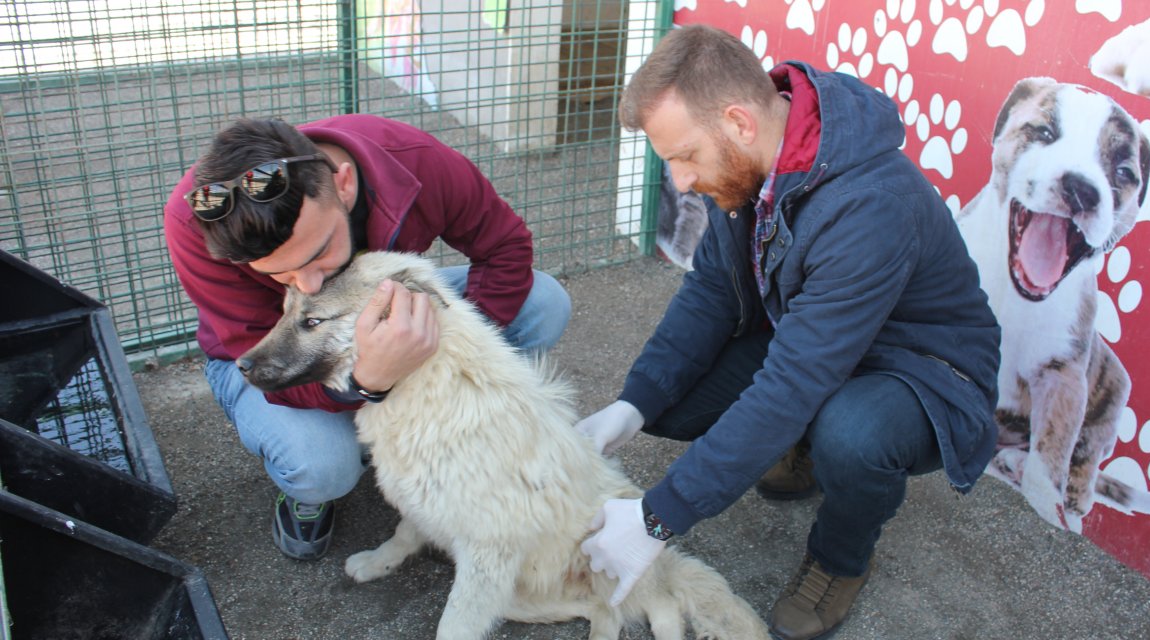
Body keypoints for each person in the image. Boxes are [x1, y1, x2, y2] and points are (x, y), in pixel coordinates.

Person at [575, 25, 1000, 640]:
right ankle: (800, 443)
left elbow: (795, 379)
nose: (682, 181)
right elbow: (712, 292)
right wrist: (633, 402)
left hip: (920, 369)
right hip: (819, 339)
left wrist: (656, 519)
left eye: (685, 155)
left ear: (740, 123)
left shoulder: (872, 205)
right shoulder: (750, 169)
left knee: (852, 434)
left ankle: (840, 558)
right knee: (673, 403)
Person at [164, 114, 571, 561]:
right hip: (266, 351)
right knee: (323, 466)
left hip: (379, 305)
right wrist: (367, 383)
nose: (310, 285)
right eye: (280, 274)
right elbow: (258, 356)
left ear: (344, 184)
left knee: (544, 302)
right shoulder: (191, 225)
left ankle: (465, 434)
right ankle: (310, 491)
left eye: (320, 252)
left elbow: (504, 247)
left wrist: (455, 349)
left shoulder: (411, 159)